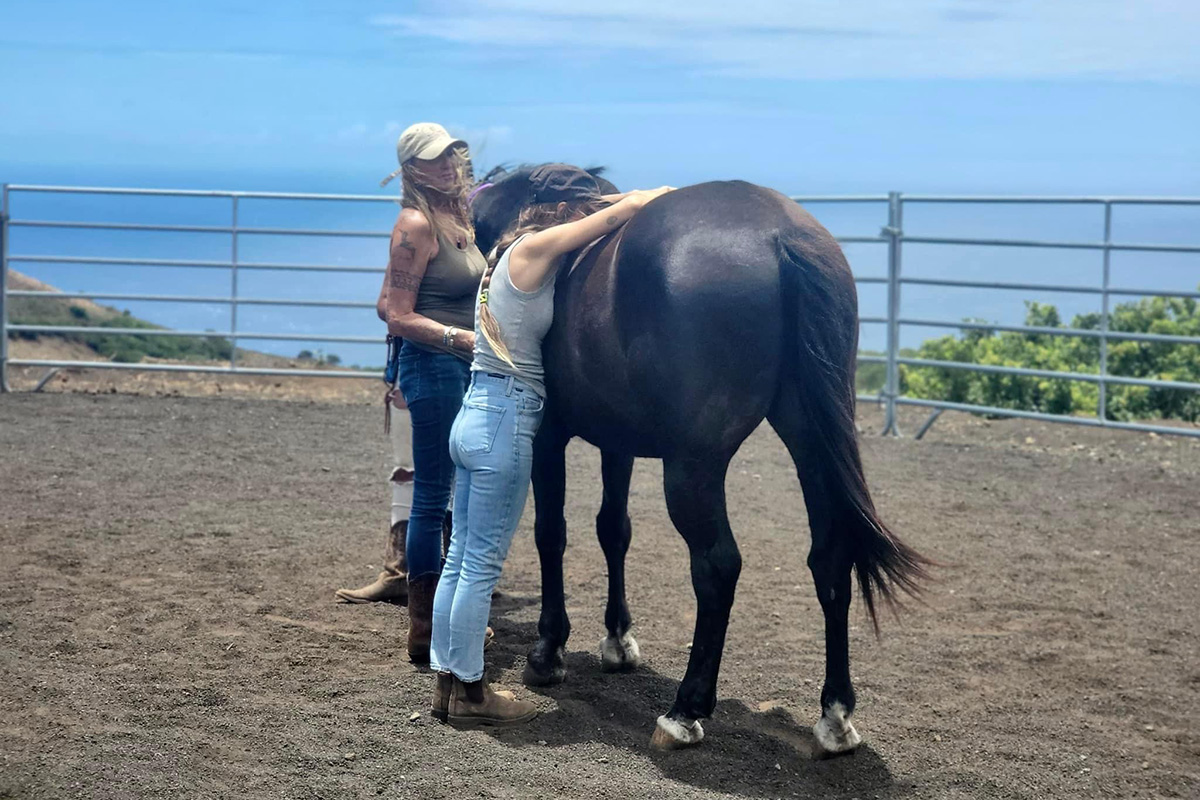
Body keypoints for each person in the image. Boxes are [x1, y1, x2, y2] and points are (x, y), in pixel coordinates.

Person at [430, 164, 674, 727]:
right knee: (482, 565)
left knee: (461, 559)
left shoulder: (497, 259)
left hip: (474, 413)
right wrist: (657, 195)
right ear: (554, 220)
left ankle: (447, 684)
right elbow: (618, 213)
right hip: (506, 419)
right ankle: (472, 695)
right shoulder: (535, 250)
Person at [335, 123, 485, 665]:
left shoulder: (459, 214)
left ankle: (445, 617)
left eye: (450, 154)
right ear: (412, 171)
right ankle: (423, 627)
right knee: (433, 499)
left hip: (463, 369)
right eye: (432, 159)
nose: (446, 164)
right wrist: (459, 337)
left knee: (459, 498)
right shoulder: (416, 224)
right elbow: (395, 312)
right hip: (436, 368)